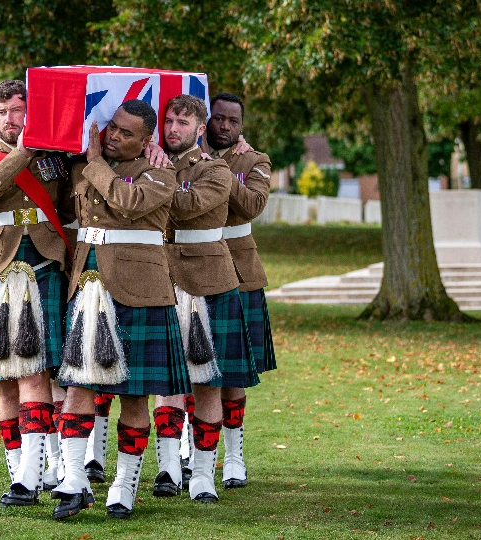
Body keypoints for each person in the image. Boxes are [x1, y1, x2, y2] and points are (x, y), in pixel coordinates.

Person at [52, 99, 190, 520]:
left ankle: (125, 483)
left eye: (126, 133)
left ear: (148, 141)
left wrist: (94, 163)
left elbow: (127, 202)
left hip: (141, 291)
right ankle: (74, 481)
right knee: (78, 386)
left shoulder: (162, 172)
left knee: (134, 396)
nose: (113, 135)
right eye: (112, 126)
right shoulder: (83, 165)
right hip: (89, 284)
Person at [0, 79, 76, 508]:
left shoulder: (56, 160)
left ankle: (32, 473)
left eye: (18, 110)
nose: (11, 119)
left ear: (32, 112)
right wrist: (23, 151)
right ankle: (18, 474)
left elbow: (72, 207)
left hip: (45, 263)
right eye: (3, 112)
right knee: (3, 379)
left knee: (36, 372)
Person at [154, 94, 258, 504]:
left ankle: (202, 473)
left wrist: (153, 180)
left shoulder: (215, 169)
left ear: (200, 129)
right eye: (169, 121)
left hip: (209, 280)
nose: (173, 128)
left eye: (183, 122)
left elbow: (186, 208)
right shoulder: (149, 165)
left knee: (208, 381)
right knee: (165, 381)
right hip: (159, 278)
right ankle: (166, 468)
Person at [203, 92, 277, 490]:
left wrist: (218, 169)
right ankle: (189, 451)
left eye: (233, 120)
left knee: (232, 371)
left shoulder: (255, 161)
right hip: (191, 269)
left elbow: (251, 205)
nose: (226, 126)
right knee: (190, 367)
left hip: (238, 270)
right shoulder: (183, 156)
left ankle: (234, 457)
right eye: (219, 118)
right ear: (207, 120)